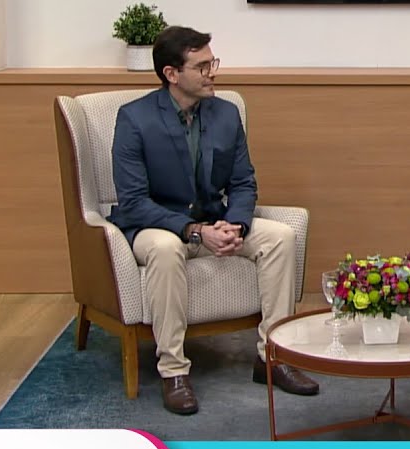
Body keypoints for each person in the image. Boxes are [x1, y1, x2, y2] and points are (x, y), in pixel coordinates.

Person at [108, 26, 319, 416]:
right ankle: (173, 371)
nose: (212, 73)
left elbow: (243, 182)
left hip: (213, 221)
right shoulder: (134, 119)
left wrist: (235, 225)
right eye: (202, 66)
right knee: (166, 249)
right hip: (156, 227)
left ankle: (273, 358)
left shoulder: (225, 113)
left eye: (213, 63)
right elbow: (134, 202)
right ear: (172, 74)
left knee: (280, 237)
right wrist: (193, 230)